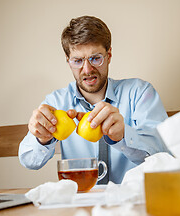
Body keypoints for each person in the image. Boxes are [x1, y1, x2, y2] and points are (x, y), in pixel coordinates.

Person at [19, 15, 168, 184]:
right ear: (68, 62)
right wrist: (42, 138)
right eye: (78, 60)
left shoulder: (140, 93)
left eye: (95, 58)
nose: (87, 69)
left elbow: (165, 156)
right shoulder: (55, 102)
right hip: (79, 201)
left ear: (109, 55)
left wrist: (124, 135)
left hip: (132, 201)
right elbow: (29, 161)